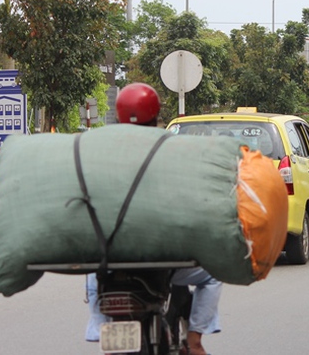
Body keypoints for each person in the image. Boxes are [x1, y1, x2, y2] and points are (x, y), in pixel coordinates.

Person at [86, 83, 222, 355]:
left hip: (114, 255)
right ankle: (195, 340)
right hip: (162, 256)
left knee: (94, 274)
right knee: (212, 275)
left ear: (118, 115)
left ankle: (100, 329)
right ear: (156, 115)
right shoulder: (172, 149)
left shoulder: (103, 152)